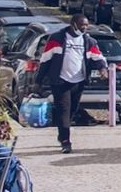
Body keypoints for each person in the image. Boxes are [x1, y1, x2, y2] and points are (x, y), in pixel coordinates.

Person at [35, 15, 104, 154]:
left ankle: (62, 134)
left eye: (86, 25)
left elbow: (98, 57)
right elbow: (45, 60)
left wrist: (102, 69)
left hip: (78, 81)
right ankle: (66, 141)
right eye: (81, 24)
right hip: (60, 81)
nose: (84, 27)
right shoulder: (57, 38)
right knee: (63, 110)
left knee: (72, 109)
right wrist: (38, 80)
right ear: (73, 24)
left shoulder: (88, 41)